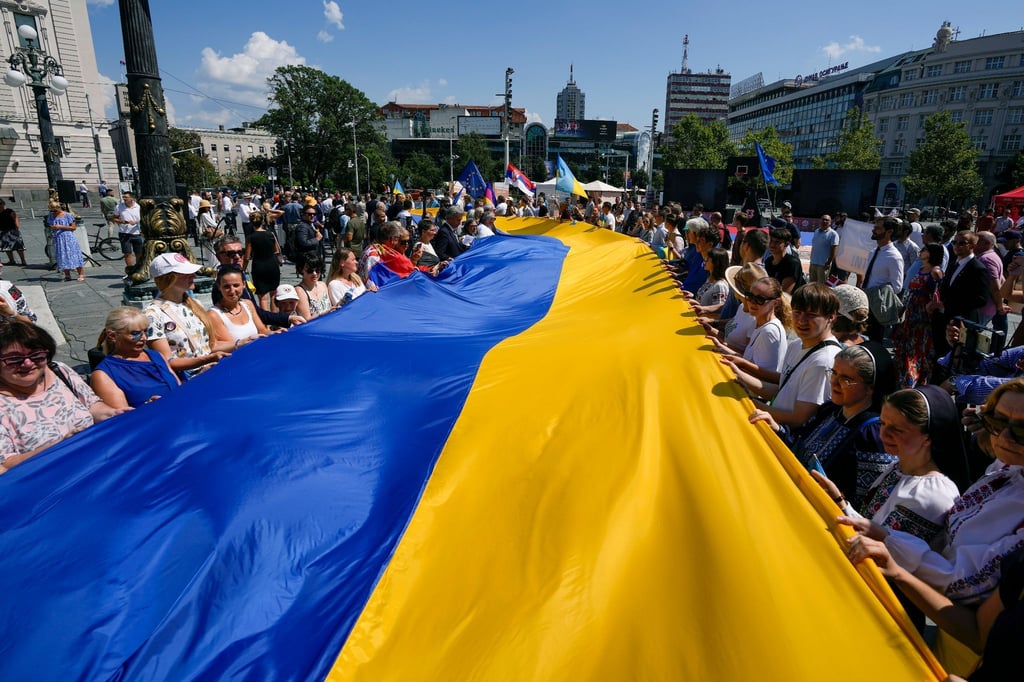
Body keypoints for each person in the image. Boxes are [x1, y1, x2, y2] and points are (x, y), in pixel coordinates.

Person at [842, 377, 1024, 607]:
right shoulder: (1006, 468)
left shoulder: (931, 493)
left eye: (1021, 430)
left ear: (928, 436)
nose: (1004, 437)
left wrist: (888, 542)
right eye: (997, 422)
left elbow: (961, 582)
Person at [751, 343, 894, 507]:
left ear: (870, 388)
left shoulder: (874, 435)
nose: (834, 382)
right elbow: (799, 447)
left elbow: (868, 503)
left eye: (846, 379)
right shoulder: (830, 410)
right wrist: (777, 429)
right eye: (833, 373)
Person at [0, 320, 126, 473]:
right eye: (14, 359)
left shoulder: (59, 371)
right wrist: (61, 447)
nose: (27, 363)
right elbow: (5, 465)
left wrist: (115, 414)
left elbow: (92, 406)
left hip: (97, 468)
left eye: (37, 355)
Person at [725, 283, 843, 431]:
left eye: (811, 315)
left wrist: (748, 402)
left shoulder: (823, 361)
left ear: (831, 317)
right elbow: (782, 392)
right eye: (797, 312)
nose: (801, 321)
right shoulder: (796, 345)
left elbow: (799, 418)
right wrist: (740, 378)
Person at [144, 253, 232, 380]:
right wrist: (206, 360)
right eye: (186, 274)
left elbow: (208, 346)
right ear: (170, 279)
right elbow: (167, 361)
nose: (194, 276)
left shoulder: (195, 304)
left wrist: (241, 343)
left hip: (211, 371)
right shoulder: (152, 314)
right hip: (189, 381)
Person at [91, 306, 180, 408]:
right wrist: (147, 407)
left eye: (145, 331)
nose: (144, 338)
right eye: (135, 333)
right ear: (113, 336)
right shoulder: (103, 375)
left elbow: (179, 388)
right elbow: (121, 417)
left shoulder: (156, 356)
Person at [709, 276, 791, 373]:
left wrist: (740, 364)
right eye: (749, 296)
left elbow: (766, 375)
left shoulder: (769, 332)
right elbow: (749, 360)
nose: (752, 302)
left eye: (759, 299)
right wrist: (721, 346)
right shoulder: (761, 324)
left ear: (776, 303)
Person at [892, 243, 944, 387]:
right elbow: (910, 293)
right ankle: (905, 377)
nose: (921, 252)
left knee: (919, 348)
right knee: (908, 345)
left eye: (925, 250)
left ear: (932, 253)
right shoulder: (921, 269)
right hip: (911, 312)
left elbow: (939, 294)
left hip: (923, 315)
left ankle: (916, 379)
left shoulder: (936, 271)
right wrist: (903, 308)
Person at [208, 266, 270, 346]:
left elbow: (262, 330)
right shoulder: (214, 315)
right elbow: (230, 345)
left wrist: (276, 334)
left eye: (236, 285)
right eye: (226, 287)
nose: (232, 291)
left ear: (244, 284)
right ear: (219, 287)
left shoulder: (248, 304)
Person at [242, 212, 281, 309]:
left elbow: (247, 257)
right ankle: (275, 320)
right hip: (272, 264)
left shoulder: (250, 238)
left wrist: (242, 269)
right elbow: (277, 250)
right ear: (262, 221)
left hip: (259, 265)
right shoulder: (270, 234)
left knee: (262, 297)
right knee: (273, 295)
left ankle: (266, 322)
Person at [46, 200, 84, 282]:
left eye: (55, 210)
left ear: (59, 208)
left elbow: (73, 228)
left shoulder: (68, 215)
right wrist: (52, 228)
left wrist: (60, 226)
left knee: (74, 255)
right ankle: (67, 275)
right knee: (62, 256)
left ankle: (80, 274)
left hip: (68, 237)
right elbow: (50, 225)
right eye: (52, 210)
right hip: (58, 238)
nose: (53, 212)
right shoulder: (51, 216)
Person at [686, 247, 731, 313]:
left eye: (708, 259)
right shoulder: (710, 280)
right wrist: (693, 297)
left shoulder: (720, 286)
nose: (705, 260)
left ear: (716, 263)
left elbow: (717, 312)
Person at [764, 228, 803, 293]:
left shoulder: (792, 263)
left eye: (777, 242)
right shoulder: (768, 261)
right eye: (770, 241)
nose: (772, 245)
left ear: (786, 244)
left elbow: (784, 293)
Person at [809, 215, 839, 283]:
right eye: (823, 219)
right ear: (820, 220)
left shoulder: (833, 234)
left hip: (823, 264)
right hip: (813, 262)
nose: (824, 221)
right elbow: (814, 246)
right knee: (811, 284)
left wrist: (828, 263)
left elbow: (834, 250)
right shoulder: (816, 231)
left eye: (827, 220)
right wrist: (811, 260)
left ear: (830, 222)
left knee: (821, 285)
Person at [0, 198, 26, 266]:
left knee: (19, 246)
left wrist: (17, 228)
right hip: (4, 232)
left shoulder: (9, 211)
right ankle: (11, 260)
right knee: (7, 248)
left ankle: (23, 260)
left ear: (3, 204)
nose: (0, 206)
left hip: (13, 230)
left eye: (0, 204)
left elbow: (16, 218)